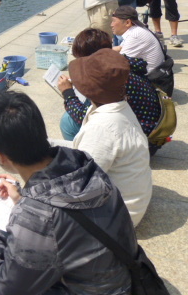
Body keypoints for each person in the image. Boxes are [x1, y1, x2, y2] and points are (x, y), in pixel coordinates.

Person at [0, 91, 137, 295]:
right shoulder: (85, 165)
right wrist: (23, 197)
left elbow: (2, 291)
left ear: (1, 156)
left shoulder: (37, 217)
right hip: (120, 284)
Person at [53, 48, 152, 226]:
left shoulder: (102, 127)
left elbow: (78, 185)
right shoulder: (119, 105)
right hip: (130, 202)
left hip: (117, 218)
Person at [58, 28, 162, 147]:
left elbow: (84, 117)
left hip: (139, 142)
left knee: (68, 121)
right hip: (147, 132)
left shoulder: (110, 79)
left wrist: (67, 93)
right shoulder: (123, 65)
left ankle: (83, 157)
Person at [111, 5, 165, 76]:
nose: (111, 25)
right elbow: (120, 48)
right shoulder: (136, 29)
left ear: (128, 22)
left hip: (151, 79)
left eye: (114, 21)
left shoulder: (135, 35)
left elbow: (120, 62)